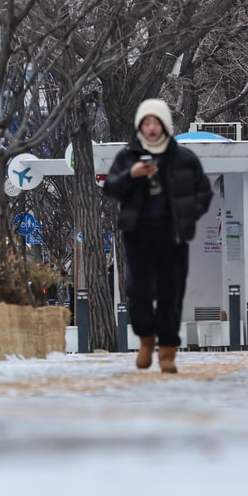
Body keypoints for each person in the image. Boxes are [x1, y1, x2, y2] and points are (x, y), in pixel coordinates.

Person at [104, 99, 213, 373]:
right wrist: (132, 174)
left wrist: (191, 213)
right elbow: (111, 188)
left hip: (173, 236)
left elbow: (203, 191)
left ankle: (167, 351)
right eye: (146, 123)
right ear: (140, 125)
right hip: (138, 234)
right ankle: (145, 339)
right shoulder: (128, 155)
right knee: (138, 292)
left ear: (165, 125)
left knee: (171, 293)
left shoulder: (184, 158)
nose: (151, 128)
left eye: (156, 122)